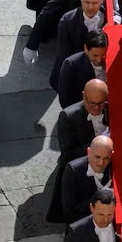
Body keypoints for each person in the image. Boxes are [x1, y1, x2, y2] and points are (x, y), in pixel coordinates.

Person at [24, 0, 120, 57]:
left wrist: (115, 8)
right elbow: (48, 12)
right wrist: (32, 45)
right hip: (71, 38)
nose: (90, 7)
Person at [49, 79, 110, 222]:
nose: (96, 108)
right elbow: (68, 152)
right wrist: (99, 143)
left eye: (100, 103)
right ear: (83, 96)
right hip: (83, 173)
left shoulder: (110, 109)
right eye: (92, 103)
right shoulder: (68, 116)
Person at [51, 0, 119, 91]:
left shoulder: (112, 18)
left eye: (95, 2)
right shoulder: (67, 21)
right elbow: (65, 54)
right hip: (76, 78)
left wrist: (116, 31)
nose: (90, 7)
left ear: (102, 0)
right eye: (87, 2)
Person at [62, 136, 114, 225]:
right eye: (97, 157)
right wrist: (99, 196)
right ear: (88, 152)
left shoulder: (113, 166)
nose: (101, 163)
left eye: (106, 158)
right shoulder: (73, 170)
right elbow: (69, 210)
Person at [58, 30, 108, 107]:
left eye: (103, 55)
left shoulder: (111, 61)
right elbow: (65, 100)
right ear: (86, 49)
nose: (99, 60)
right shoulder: (71, 65)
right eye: (95, 55)